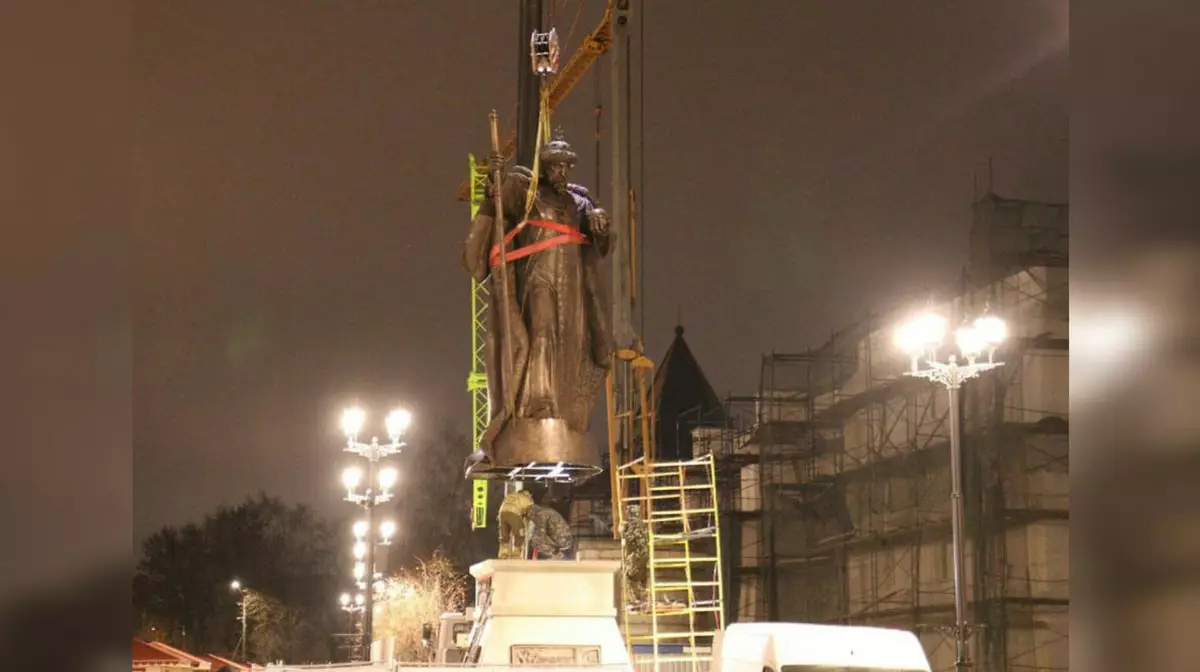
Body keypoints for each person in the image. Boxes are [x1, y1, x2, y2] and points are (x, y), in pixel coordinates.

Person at [461, 130, 614, 465]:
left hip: (571, 280)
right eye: (556, 167)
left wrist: (601, 224)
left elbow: (599, 240)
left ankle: (562, 409)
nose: (562, 173)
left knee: (569, 343)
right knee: (542, 335)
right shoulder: (530, 193)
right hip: (538, 276)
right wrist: (495, 182)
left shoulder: (579, 202)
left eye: (566, 167)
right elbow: (500, 201)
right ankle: (537, 403)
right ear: (545, 168)